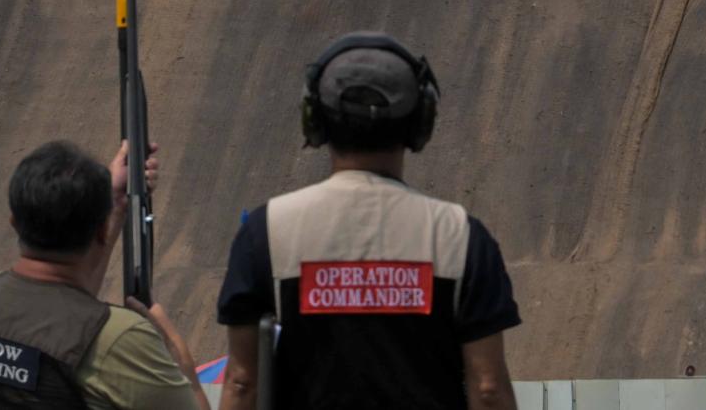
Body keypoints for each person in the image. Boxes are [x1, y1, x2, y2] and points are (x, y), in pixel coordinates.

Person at [216, 33, 521, 410]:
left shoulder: (266, 232)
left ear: (314, 119)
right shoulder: (460, 236)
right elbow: (488, 389)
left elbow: (243, 382)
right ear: (421, 121)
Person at [0, 139, 210, 410]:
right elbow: (71, 306)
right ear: (100, 231)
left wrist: (115, 205)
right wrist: (184, 372)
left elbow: (66, 303)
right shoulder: (120, 339)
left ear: (14, 223)